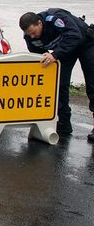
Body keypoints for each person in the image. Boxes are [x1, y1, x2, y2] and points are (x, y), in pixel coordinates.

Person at [19, 9, 94, 140]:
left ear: (39, 23)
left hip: (85, 42)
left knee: (92, 84)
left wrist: (54, 55)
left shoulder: (55, 18)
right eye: (28, 34)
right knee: (59, 85)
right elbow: (38, 56)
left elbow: (74, 35)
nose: (32, 36)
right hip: (65, 50)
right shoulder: (29, 37)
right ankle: (64, 123)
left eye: (33, 32)